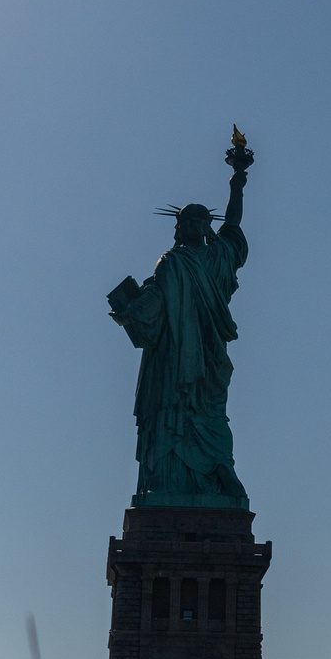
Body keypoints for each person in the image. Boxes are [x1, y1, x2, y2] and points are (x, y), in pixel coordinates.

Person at [107, 133, 254, 509]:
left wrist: (237, 180)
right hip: (183, 360)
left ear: (204, 226)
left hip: (194, 359)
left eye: (196, 219)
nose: (190, 225)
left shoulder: (200, 259)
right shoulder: (180, 262)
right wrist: (131, 311)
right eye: (187, 220)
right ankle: (186, 479)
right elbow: (153, 300)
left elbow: (234, 222)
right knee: (188, 414)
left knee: (200, 414)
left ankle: (216, 472)